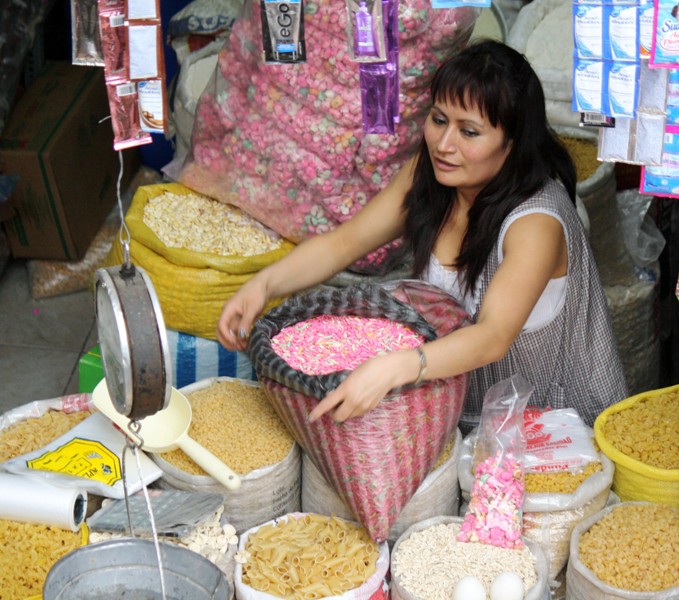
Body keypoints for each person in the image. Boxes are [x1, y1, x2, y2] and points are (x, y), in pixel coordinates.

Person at [217, 39, 628, 433]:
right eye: (439, 119)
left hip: (555, 428)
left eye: (469, 132)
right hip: (462, 418)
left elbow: (491, 336)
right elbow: (345, 243)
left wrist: (397, 366)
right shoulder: (431, 177)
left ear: (513, 143)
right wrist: (263, 284)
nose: (444, 144)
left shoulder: (536, 221)